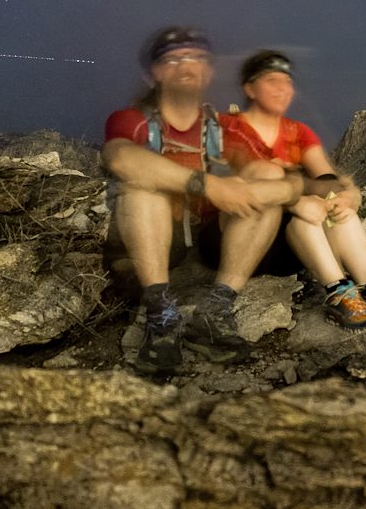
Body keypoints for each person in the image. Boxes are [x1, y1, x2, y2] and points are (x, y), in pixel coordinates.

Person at [102, 27, 305, 374]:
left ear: (208, 71)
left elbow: (286, 180)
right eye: (173, 58)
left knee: (264, 190)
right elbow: (121, 159)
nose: (187, 65)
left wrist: (261, 190)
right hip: (153, 237)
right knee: (142, 189)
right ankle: (161, 316)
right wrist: (206, 184)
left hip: (205, 237)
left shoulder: (219, 129)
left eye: (196, 57)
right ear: (153, 74)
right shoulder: (133, 121)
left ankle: (214, 313)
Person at [220, 50, 366, 336]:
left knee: (337, 209)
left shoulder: (298, 132)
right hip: (243, 233)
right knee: (294, 199)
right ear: (250, 88)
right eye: (272, 80)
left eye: (287, 81)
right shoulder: (228, 127)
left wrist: (343, 197)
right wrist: (297, 200)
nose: (282, 89)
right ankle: (338, 290)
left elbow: (326, 178)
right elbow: (231, 184)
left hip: (291, 242)